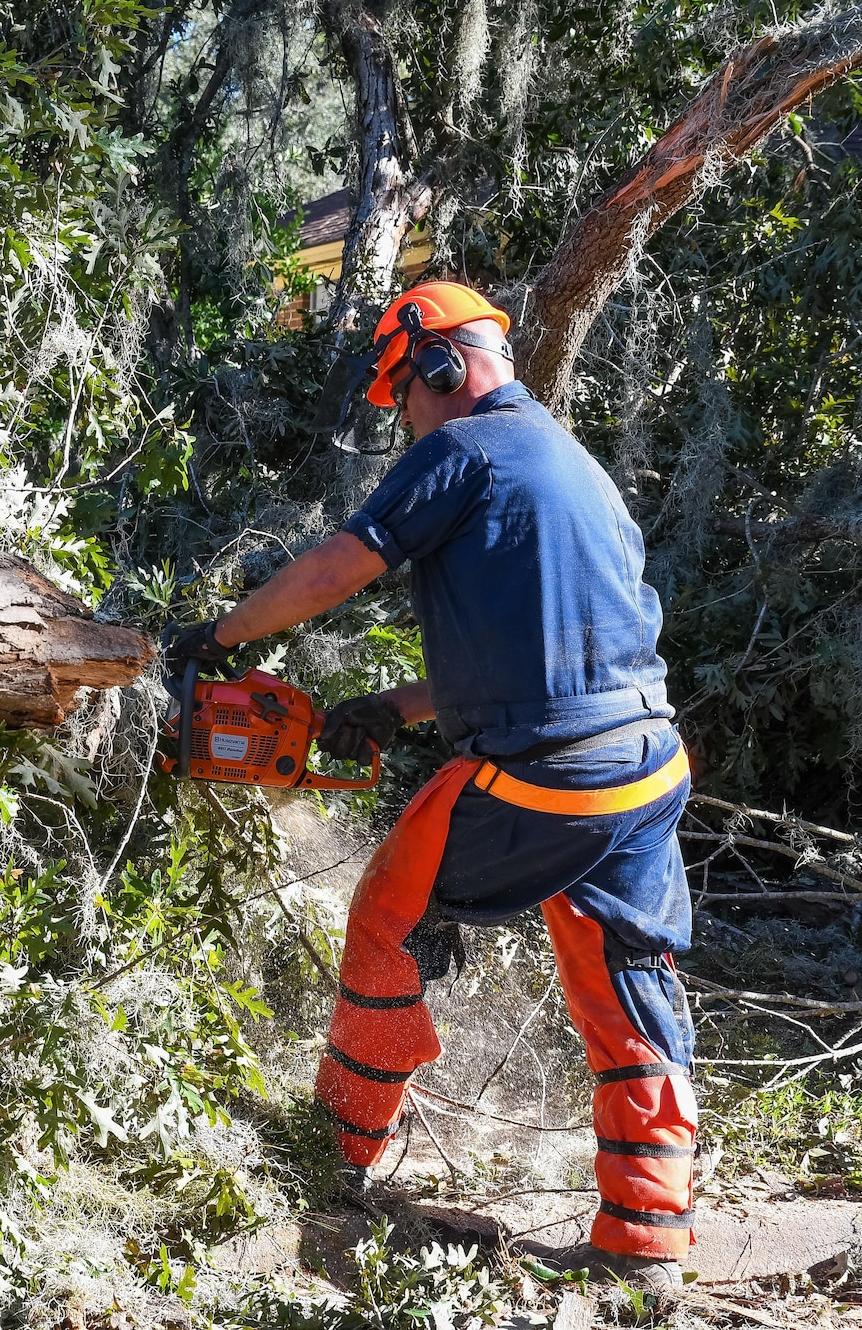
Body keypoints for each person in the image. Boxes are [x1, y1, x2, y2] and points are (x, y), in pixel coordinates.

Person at [166, 281, 697, 1297]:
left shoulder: (461, 450)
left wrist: (221, 636)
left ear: (443, 367)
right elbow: (556, 647)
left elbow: (336, 566)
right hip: (644, 769)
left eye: (402, 393)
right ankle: (645, 1248)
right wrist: (403, 705)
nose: (401, 416)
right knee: (625, 982)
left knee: (383, 915)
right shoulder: (575, 468)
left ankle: (333, 1160)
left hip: (544, 773)